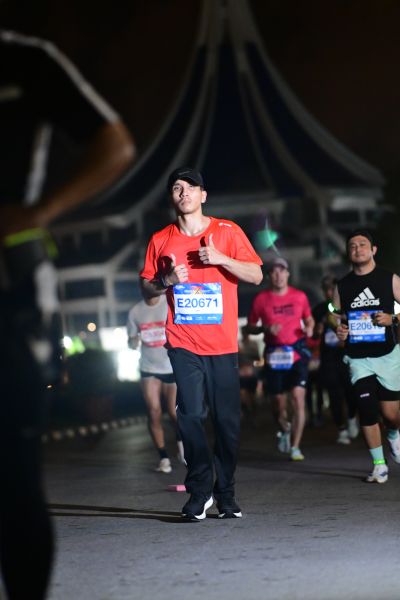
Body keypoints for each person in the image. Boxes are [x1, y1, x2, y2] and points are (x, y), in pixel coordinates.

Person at [0, 29, 135, 600]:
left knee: (14, 477)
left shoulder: (25, 61)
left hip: (11, 291)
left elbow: (116, 144)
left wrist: (41, 211)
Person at [140, 166, 263, 521]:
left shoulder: (227, 231)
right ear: (172, 197)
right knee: (190, 415)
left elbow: (256, 274)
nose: (184, 193)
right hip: (183, 342)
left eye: (190, 187)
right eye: (177, 188)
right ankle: (199, 489)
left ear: (203, 195)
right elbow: (147, 289)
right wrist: (166, 280)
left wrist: (222, 259)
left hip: (222, 345)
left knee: (227, 423)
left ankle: (226, 493)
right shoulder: (161, 239)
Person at [334, 229, 400, 484]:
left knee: (391, 415)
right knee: (366, 408)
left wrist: (393, 319)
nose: (357, 249)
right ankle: (379, 465)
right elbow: (336, 315)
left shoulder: (389, 278)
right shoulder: (343, 285)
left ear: (373, 250)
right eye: (352, 246)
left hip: (387, 355)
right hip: (357, 357)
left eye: (363, 244)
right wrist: (339, 330)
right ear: (348, 253)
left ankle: (393, 433)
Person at [246, 256, 314, 461]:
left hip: (296, 354)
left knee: (298, 398)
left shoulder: (300, 296)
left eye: (282, 271)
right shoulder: (261, 299)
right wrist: (265, 329)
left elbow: (308, 319)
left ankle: (296, 446)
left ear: (288, 274)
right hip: (274, 356)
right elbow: (250, 327)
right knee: (277, 404)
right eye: (274, 272)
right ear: (269, 276)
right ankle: (284, 428)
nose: (278, 275)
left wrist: (309, 328)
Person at [127, 293, 184, 474]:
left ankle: (182, 448)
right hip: (149, 368)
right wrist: (133, 341)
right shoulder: (135, 311)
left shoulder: (169, 303)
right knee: (154, 412)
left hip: (171, 366)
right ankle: (163, 458)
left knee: (174, 413)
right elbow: (131, 341)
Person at [312, 275, 359, 444]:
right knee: (334, 394)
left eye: (332, 289)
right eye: (326, 290)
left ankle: (352, 417)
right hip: (328, 358)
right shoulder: (319, 309)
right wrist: (317, 331)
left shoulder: (349, 305)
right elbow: (313, 335)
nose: (329, 293)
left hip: (347, 355)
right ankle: (341, 429)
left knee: (351, 392)